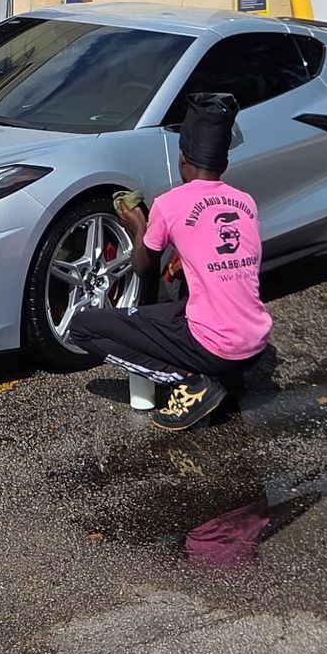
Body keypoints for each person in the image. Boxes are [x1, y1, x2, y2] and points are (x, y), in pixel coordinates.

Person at [69, 92, 273, 432]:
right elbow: (222, 255)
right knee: (181, 298)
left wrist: (137, 226)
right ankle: (224, 376)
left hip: (215, 346)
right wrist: (181, 259)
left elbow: (143, 268)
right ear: (223, 163)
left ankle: (192, 380)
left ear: (182, 160)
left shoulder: (170, 203)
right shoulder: (244, 202)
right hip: (254, 343)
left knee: (83, 327)